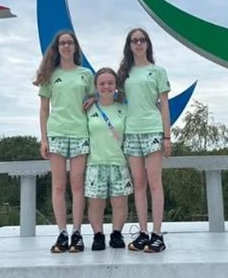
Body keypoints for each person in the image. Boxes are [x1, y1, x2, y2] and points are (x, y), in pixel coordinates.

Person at [34, 31, 94, 253]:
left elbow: (95, 97)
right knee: (58, 186)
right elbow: (43, 109)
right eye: (62, 43)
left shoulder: (85, 74)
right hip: (57, 133)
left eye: (70, 42)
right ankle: (62, 233)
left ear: (75, 47)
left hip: (80, 133)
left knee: (77, 186)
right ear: (57, 47)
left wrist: (94, 98)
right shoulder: (51, 75)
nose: (66, 46)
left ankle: (77, 233)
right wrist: (44, 138)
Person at [117, 28, 171, 253]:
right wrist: (91, 100)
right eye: (134, 40)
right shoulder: (124, 73)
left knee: (154, 182)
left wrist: (167, 136)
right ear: (129, 45)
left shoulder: (157, 71)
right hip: (132, 132)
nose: (138, 44)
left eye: (142, 40)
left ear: (147, 44)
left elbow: (164, 104)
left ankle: (158, 234)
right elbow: (111, 97)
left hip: (152, 130)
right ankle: (143, 232)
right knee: (138, 184)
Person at [85, 67, 132, 251]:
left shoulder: (124, 109)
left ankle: (117, 233)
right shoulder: (88, 109)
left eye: (110, 83)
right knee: (96, 204)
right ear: (96, 86)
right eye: (102, 83)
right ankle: (98, 235)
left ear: (116, 86)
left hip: (119, 162)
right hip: (95, 162)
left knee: (120, 203)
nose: (106, 87)